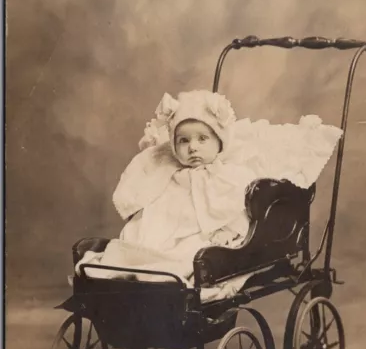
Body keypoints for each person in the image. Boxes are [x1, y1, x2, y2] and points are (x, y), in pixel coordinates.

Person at [75, 90, 343, 290]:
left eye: (203, 139)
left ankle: (165, 272)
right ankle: (140, 267)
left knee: (191, 256)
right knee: (140, 240)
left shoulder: (229, 175)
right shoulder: (169, 174)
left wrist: (224, 236)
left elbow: (237, 212)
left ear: (218, 143)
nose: (192, 147)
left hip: (205, 239)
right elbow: (153, 209)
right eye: (183, 141)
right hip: (166, 235)